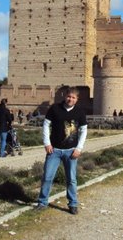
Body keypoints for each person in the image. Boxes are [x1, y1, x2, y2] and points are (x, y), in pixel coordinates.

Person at [36, 87, 87, 215]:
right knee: (47, 177)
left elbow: (83, 130)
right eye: (69, 96)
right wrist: (47, 143)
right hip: (54, 151)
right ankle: (42, 202)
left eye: (73, 97)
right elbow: (46, 125)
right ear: (65, 96)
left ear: (77, 99)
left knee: (71, 179)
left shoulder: (80, 112)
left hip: (71, 151)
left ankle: (73, 204)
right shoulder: (54, 108)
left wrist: (79, 148)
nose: (70, 99)